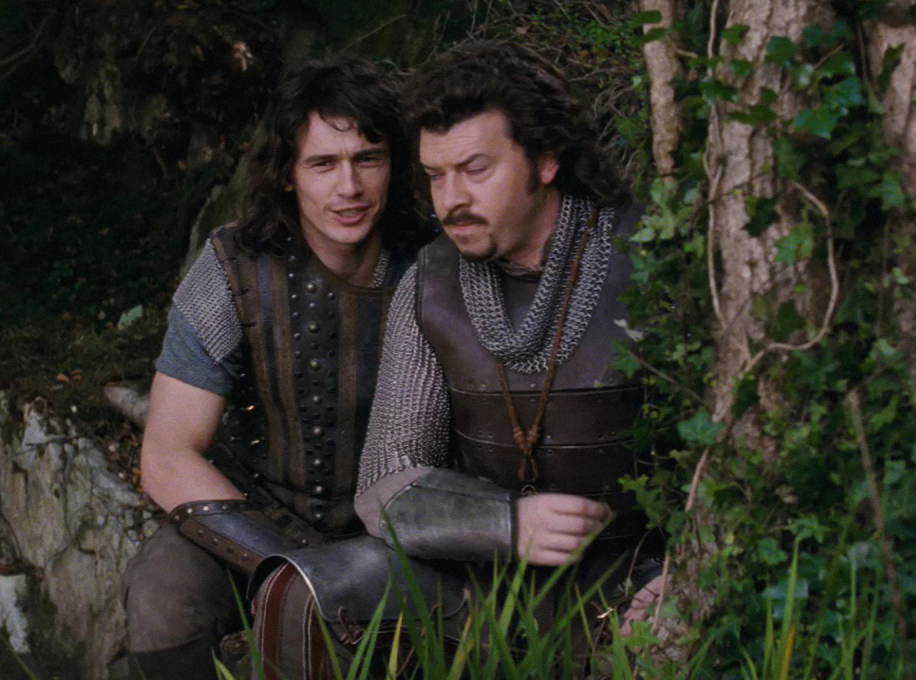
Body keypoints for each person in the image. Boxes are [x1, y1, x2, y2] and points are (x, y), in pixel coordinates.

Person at [252, 40, 665, 677]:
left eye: (475, 169)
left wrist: (683, 574)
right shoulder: (432, 281)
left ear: (545, 160)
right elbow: (387, 486)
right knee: (300, 592)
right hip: (486, 582)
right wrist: (505, 522)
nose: (451, 200)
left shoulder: (654, 259)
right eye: (435, 175)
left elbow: (734, 462)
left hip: (635, 585)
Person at [121, 55, 431, 679]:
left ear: (394, 165)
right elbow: (167, 454)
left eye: (367, 159)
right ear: (288, 173)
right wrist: (287, 566)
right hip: (254, 520)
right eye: (323, 163)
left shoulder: (435, 263)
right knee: (162, 596)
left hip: (395, 535)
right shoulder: (233, 267)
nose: (349, 187)